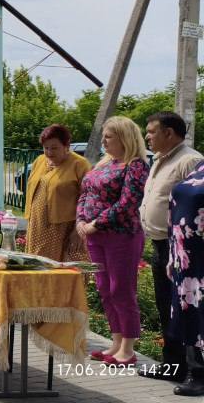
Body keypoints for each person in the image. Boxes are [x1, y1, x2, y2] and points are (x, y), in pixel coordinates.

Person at [77, 115, 148, 366]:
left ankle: (128, 349)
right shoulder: (104, 163)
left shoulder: (136, 165)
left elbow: (128, 203)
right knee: (105, 289)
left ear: (124, 138)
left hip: (121, 236)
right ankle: (116, 343)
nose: (104, 141)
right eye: (104, 137)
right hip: (95, 236)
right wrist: (80, 220)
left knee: (121, 290)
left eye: (109, 137)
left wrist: (96, 223)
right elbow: (85, 194)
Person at [139, 111, 203, 382]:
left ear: (169, 133)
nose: (147, 137)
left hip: (183, 249)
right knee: (167, 308)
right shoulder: (160, 159)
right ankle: (173, 366)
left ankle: (196, 371)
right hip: (161, 246)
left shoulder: (190, 160)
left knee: (188, 309)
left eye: (151, 131)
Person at [23, 124, 91, 263]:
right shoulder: (39, 161)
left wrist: (78, 230)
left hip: (63, 228)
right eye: (46, 148)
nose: (49, 152)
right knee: (36, 265)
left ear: (66, 146)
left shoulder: (79, 164)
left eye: (54, 148)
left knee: (61, 267)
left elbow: (89, 197)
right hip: (37, 224)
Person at [166, 160, 204, 395]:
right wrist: (173, 255)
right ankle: (195, 371)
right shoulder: (200, 165)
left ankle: (199, 376)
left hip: (200, 260)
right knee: (189, 314)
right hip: (185, 258)